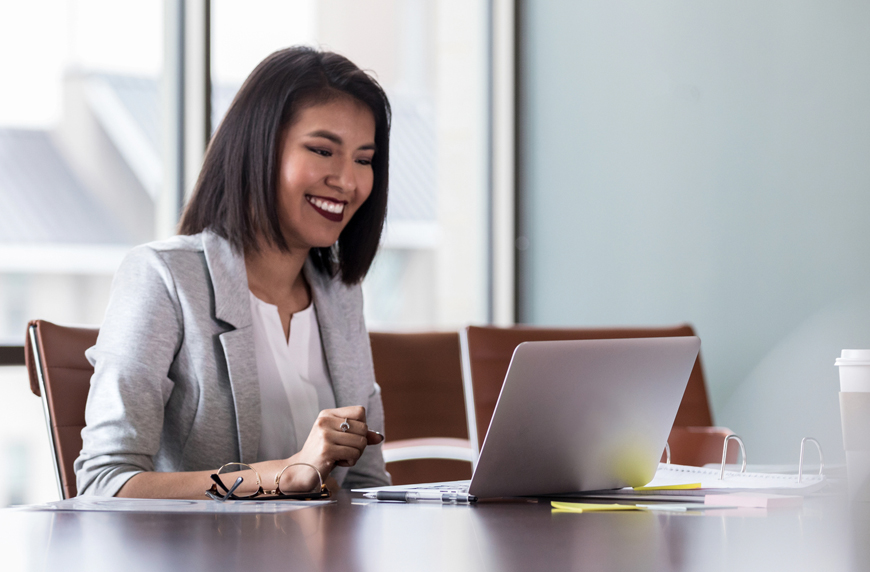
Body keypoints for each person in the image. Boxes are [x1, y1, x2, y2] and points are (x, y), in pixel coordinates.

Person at [74, 46, 392, 498]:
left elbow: (364, 483)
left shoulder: (341, 294)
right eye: (323, 150)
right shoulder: (163, 278)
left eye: (364, 159)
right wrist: (281, 475)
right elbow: (104, 485)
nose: (347, 181)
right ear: (259, 148)